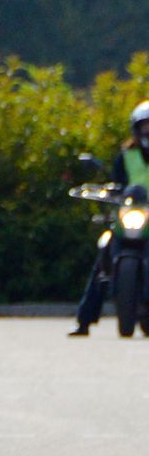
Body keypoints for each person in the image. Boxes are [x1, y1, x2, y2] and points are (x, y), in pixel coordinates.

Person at [69, 100, 149, 336]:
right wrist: (110, 191)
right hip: (131, 216)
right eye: (144, 127)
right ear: (135, 129)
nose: (148, 132)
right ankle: (84, 320)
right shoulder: (125, 157)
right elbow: (115, 184)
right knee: (104, 254)